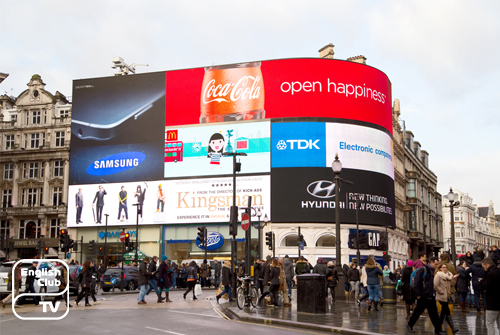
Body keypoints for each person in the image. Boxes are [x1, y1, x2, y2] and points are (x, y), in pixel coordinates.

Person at [406, 257, 443, 334]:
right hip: (423, 295)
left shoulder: (433, 271)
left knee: (434, 313)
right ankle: (410, 324)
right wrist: (418, 294)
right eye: (436, 264)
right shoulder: (423, 270)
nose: (437, 265)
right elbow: (417, 281)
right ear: (431, 263)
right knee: (418, 311)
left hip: (430, 295)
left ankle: (438, 329)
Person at [434, 262, 459, 333]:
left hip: (447, 295)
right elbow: (435, 285)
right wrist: (442, 291)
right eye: (443, 267)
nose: (445, 269)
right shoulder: (438, 275)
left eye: (445, 267)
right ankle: (453, 328)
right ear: (440, 268)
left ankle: (438, 328)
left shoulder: (449, 275)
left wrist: (454, 278)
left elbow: (451, 284)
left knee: (443, 312)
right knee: (446, 310)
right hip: (441, 296)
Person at [481, 257, 500, 334]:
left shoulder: (490, 273)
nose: (484, 269)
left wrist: (481, 281)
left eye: (484, 267)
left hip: (492, 302)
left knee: (490, 323)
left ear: (487, 265)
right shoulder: (498, 271)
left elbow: (486, 286)